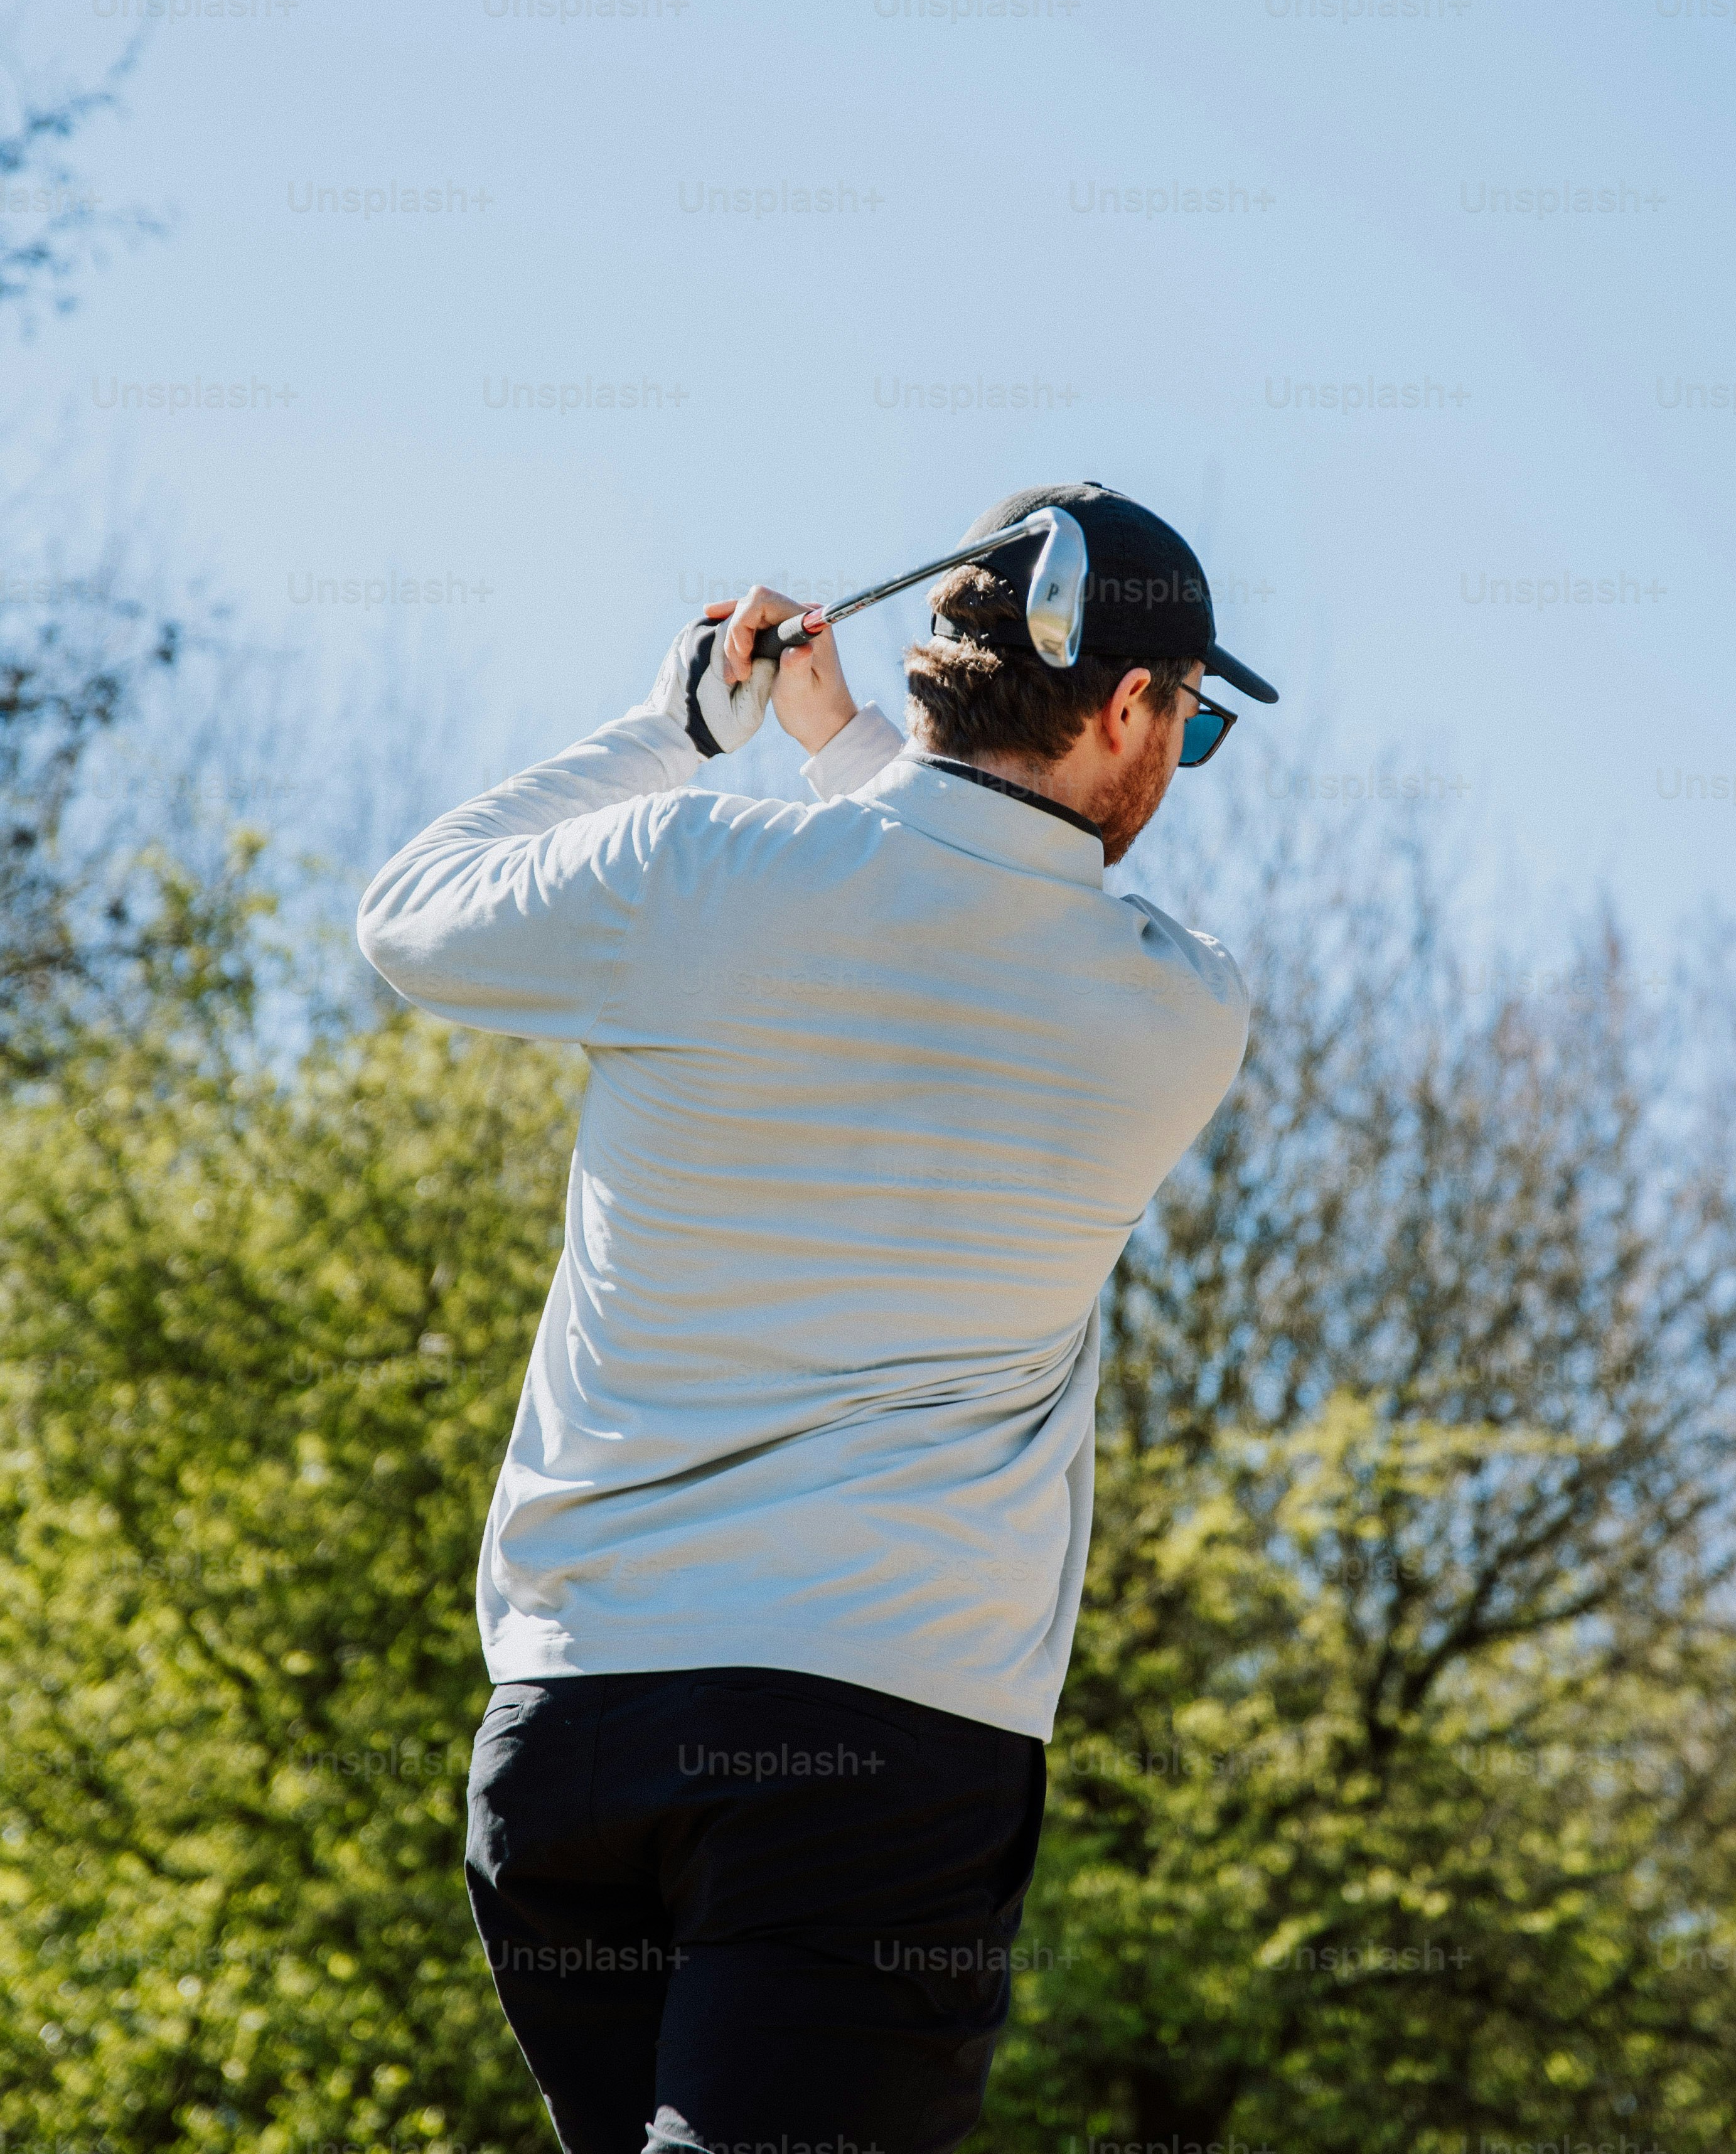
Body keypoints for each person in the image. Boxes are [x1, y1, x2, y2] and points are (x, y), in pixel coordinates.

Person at [356, 481, 1277, 2154]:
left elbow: (408, 917)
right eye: (1193, 727)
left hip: (575, 1729)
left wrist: (679, 735)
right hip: (879, 1739)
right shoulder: (1175, 1010)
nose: (1179, 764)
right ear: (1129, 701)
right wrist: (839, 755)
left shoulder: (696, 874)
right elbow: (959, 906)